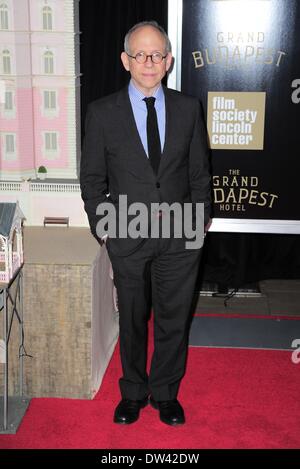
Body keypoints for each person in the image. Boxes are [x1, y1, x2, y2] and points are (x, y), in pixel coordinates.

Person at [80, 21, 211, 426]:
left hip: (179, 235)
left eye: (157, 55)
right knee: (132, 319)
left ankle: (166, 394)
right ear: (125, 60)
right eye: (140, 54)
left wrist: (199, 224)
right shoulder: (102, 113)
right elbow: (93, 180)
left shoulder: (189, 108)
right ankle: (133, 393)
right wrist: (106, 228)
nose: (149, 62)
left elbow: (199, 175)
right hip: (128, 234)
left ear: (169, 61)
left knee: (174, 318)